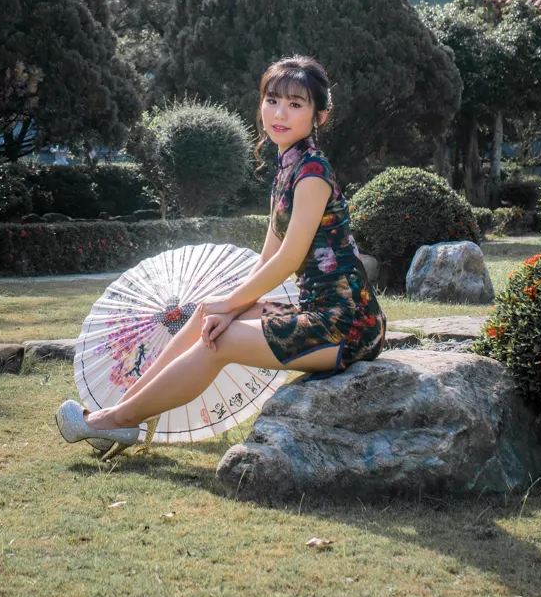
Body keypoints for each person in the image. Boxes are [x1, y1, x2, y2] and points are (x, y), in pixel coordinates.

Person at [55, 54, 387, 451]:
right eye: (272, 100)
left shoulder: (313, 174)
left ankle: (116, 420)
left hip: (346, 326)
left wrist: (232, 306)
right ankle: (123, 411)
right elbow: (266, 258)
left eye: (295, 105)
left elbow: (288, 259)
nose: (279, 113)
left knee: (221, 340)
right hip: (316, 312)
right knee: (206, 313)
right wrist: (225, 306)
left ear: (318, 115)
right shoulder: (287, 171)